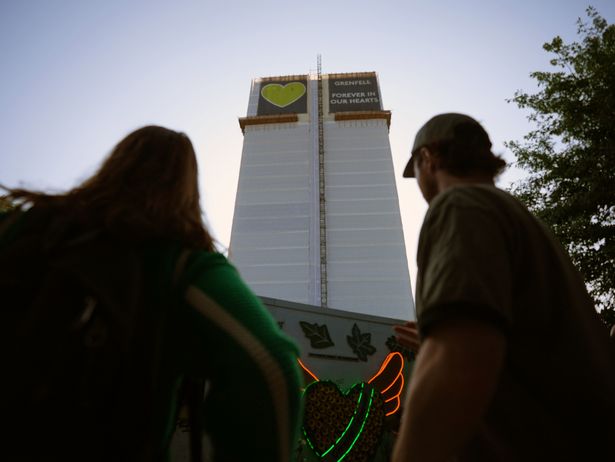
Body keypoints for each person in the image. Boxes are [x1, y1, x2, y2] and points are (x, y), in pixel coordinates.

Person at [0, 126, 302, 461]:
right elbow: (269, 363)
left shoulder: (27, 229)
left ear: (115, 163)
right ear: (185, 188)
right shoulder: (177, 263)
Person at [391, 113, 615, 461]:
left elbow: (462, 361)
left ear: (428, 158)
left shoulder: (460, 205)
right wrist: (444, 335)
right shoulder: (523, 221)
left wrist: (447, 346)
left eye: (415, 170)